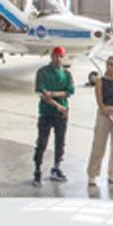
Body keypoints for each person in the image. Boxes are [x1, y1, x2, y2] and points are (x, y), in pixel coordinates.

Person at [33, 46, 74, 186]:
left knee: (60, 142)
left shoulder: (67, 74)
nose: (58, 59)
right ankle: (37, 170)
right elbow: (43, 93)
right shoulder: (42, 72)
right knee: (42, 143)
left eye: (61, 56)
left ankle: (56, 167)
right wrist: (58, 105)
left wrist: (54, 94)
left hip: (61, 115)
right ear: (51, 56)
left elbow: (69, 91)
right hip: (46, 113)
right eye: (56, 56)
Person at [87, 55, 113, 188]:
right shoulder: (100, 81)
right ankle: (93, 174)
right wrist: (108, 113)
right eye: (108, 64)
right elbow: (100, 101)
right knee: (99, 146)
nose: (110, 67)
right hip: (104, 113)